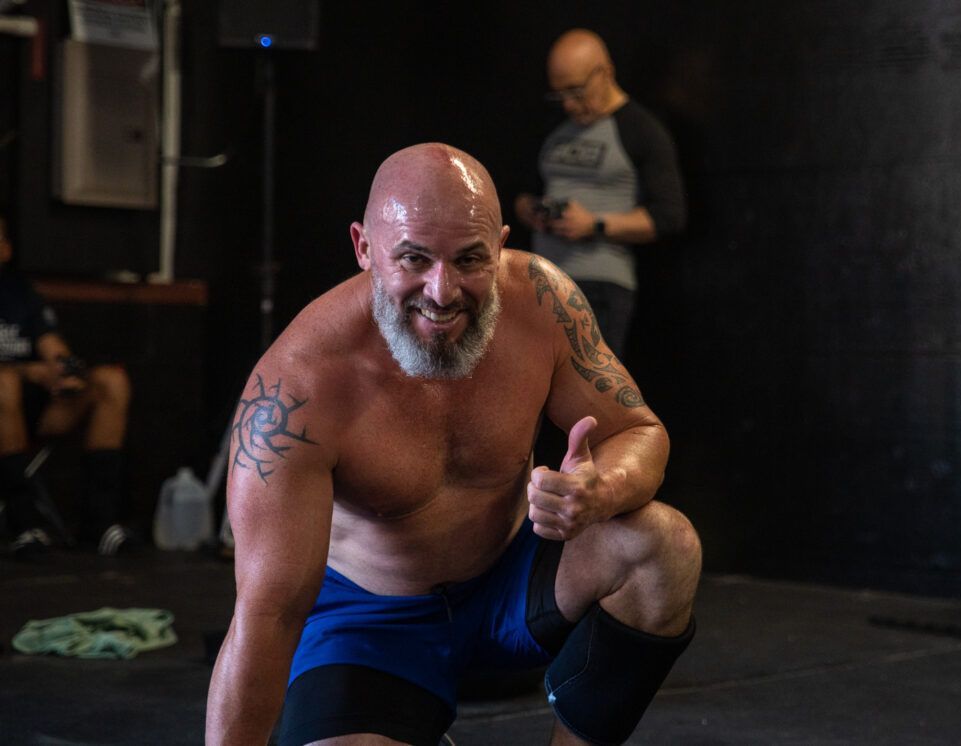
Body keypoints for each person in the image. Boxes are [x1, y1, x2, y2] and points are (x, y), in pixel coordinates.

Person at [206, 143, 701, 746]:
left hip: (513, 586)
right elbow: (267, 617)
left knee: (664, 545)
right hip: (373, 627)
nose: (442, 292)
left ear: (501, 245)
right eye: (414, 258)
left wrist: (602, 491)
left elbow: (639, 432)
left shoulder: (542, 302)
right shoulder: (294, 390)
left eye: (470, 260)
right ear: (364, 248)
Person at [515, 28, 687, 358]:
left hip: (600, 285)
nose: (568, 103)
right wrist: (532, 212)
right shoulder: (554, 126)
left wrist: (595, 225)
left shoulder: (642, 130)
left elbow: (669, 216)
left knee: (591, 395)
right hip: (542, 281)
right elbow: (522, 193)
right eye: (560, 94)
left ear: (604, 72)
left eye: (577, 91)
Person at [0, 215, 134, 557]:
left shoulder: (19, 294)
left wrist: (65, 370)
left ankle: (99, 524)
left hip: (32, 412)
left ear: (7, 249)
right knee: (3, 383)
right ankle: (25, 523)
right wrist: (28, 371)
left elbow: (52, 346)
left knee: (110, 382)